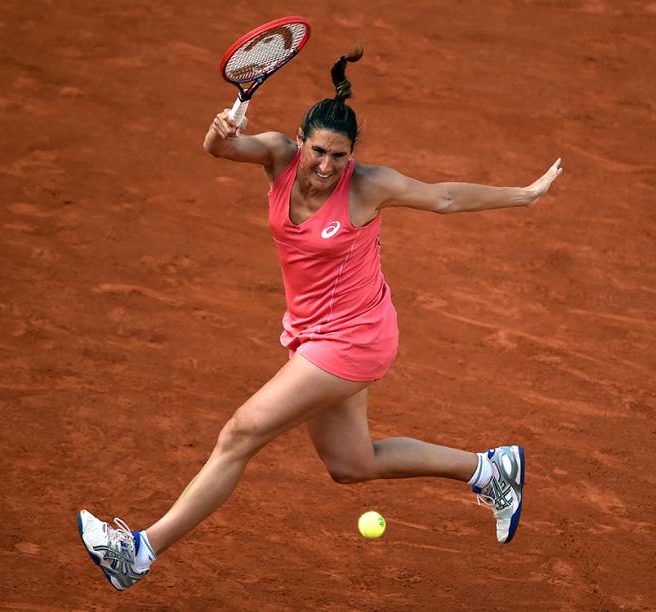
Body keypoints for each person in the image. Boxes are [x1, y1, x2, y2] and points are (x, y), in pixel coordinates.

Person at [77, 48, 563, 591]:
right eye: (318, 152)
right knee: (352, 464)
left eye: (339, 155)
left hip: (356, 339)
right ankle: (489, 470)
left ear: (352, 154)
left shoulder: (367, 186)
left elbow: (444, 197)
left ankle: (139, 552)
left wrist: (524, 195)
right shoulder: (277, 156)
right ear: (300, 140)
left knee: (239, 432)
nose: (327, 166)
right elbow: (218, 149)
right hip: (311, 332)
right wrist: (221, 128)